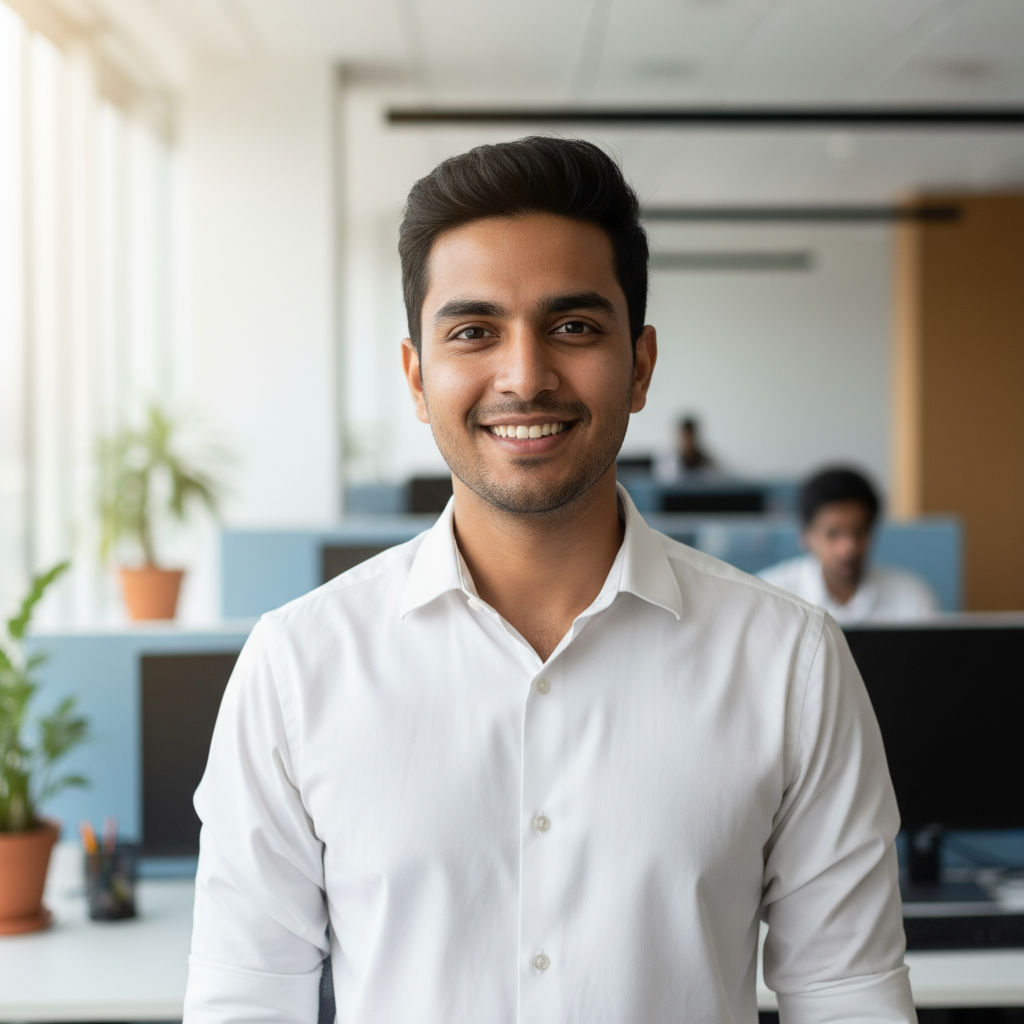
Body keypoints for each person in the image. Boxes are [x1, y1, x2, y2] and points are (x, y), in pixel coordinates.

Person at [184, 138, 915, 1024]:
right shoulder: (296, 668)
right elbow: (245, 1003)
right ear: (417, 377)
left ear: (640, 365)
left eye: (573, 327)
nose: (525, 376)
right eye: (473, 331)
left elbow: (848, 999)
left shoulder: (789, 661)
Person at [759, 466, 939, 623]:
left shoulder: (911, 597)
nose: (848, 548)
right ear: (806, 536)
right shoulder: (771, 597)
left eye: (859, 532)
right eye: (833, 534)